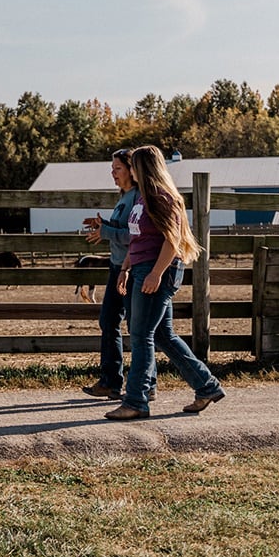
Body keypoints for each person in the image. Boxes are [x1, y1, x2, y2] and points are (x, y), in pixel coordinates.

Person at [105, 145, 225, 420]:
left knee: (141, 335)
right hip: (141, 267)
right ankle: (207, 386)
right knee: (162, 335)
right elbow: (138, 239)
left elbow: (173, 240)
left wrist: (156, 273)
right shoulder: (141, 198)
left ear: (144, 168)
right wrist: (125, 268)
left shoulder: (162, 197)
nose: (130, 169)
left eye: (133, 165)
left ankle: (136, 401)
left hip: (159, 269)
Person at [80, 148, 146, 401]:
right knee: (110, 322)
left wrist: (106, 231)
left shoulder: (138, 198)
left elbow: (135, 236)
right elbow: (123, 230)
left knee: (136, 327)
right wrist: (103, 226)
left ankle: (137, 383)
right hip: (117, 265)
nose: (113, 173)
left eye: (117, 168)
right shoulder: (124, 197)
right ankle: (113, 381)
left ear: (131, 169)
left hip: (130, 268)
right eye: (112, 168)